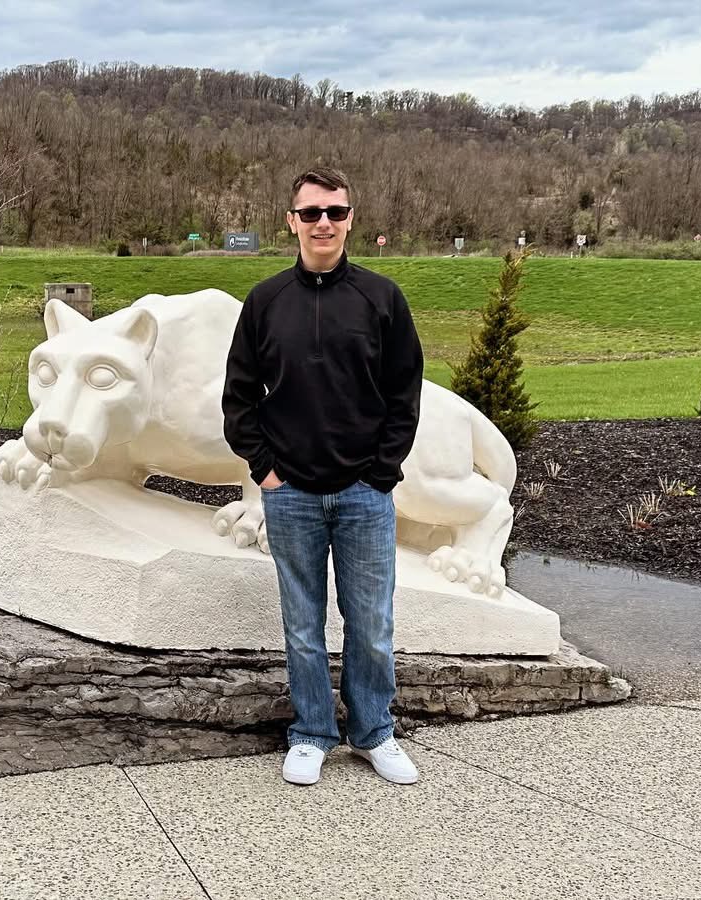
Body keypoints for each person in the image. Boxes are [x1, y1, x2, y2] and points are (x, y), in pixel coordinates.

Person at [221, 166, 424, 786]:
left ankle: (373, 732)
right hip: (292, 495)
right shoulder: (265, 302)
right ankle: (311, 732)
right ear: (292, 222)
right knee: (303, 626)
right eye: (311, 213)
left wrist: (382, 473)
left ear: (350, 219)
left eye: (335, 211)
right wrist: (265, 470)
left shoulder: (381, 298)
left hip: (365, 493)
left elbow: (404, 394)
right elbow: (238, 397)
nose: (323, 223)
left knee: (372, 624)